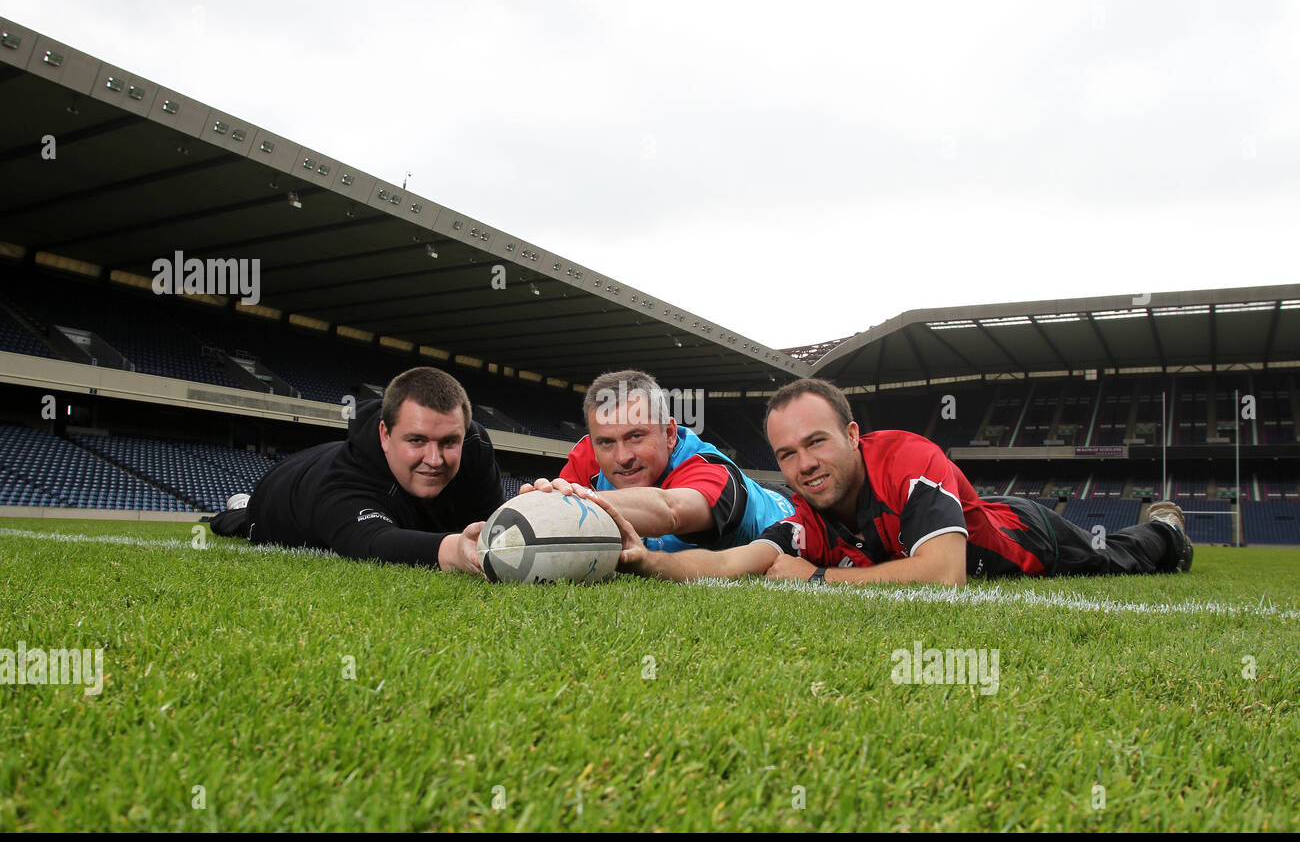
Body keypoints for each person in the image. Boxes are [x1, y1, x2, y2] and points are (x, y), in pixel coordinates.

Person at [593, 377, 1193, 584]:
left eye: (817, 442)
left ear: (854, 435)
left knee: (1118, 557)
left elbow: (943, 576)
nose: (804, 465)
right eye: (788, 454)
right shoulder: (806, 516)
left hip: (1024, 538)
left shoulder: (907, 459)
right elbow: (730, 566)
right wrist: (643, 559)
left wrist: (822, 579)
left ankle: (1166, 530)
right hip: (976, 514)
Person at [208, 366, 503, 572]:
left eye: (449, 442)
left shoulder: (474, 446)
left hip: (371, 489)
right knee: (243, 521)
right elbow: (373, 541)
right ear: (385, 434)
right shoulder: (346, 477)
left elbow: (496, 526)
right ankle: (240, 507)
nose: (435, 459)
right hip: (281, 491)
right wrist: (454, 552)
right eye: (416, 440)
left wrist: (542, 506)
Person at [520, 369, 795, 552]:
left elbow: (670, 511)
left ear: (670, 433)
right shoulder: (589, 455)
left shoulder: (709, 468)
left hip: (792, 508)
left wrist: (561, 505)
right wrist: (494, 531)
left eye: (636, 436)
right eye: (606, 442)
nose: (623, 457)